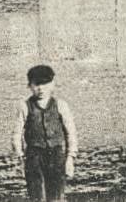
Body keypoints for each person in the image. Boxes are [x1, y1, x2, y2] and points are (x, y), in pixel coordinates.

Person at [10, 64, 78, 202]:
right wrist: (20, 157)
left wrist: (70, 158)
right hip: (34, 159)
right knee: (37, 197)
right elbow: (16, 134)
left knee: (57, 197)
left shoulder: (61, 105)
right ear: (29, 86)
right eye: (36, 84)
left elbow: (71, 133)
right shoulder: (25, 106)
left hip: (56, 157)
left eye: (45, 84)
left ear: (53, 84)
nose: (41, 89)